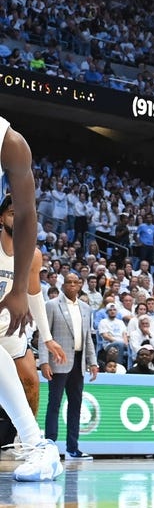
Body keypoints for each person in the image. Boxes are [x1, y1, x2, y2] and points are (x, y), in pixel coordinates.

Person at [0, 117, 64, 481]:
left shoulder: (10, 143)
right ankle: (36, 441)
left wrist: (20, 292)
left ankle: (34, 442)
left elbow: (27, 214)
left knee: (29, 378)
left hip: (12, 316)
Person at [0, 194, 64, 449]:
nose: (20, 219)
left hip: (11, 329)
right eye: (14, 214)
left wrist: (47, 338)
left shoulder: (33, 255)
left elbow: (34, 294)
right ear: (2, 217)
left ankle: (21, 442)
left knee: (30, 381)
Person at [40, 272, 98, 461]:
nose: (72, 285)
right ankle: (50, 447)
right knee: (54, 404)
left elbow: (88, 337)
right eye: (69, 282)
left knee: (76, 405)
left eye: (76, 282)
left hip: (79, 361)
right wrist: (44, 362)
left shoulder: (86, 308)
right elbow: (44, 336)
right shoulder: (51, 305)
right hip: (58, 361)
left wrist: (93, 362)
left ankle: (73, 448)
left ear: (80, 285)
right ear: (63, 285)